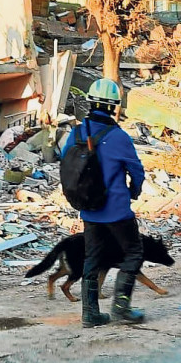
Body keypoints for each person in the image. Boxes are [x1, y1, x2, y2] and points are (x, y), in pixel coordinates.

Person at [61, 78, 146, 328]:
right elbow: (137, 171)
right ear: (114, 107)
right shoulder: (119, 137)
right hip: (117, 210)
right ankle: (121, 307)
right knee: (133, 253)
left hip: (89, 210)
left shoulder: (75, 133)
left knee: (92, 259)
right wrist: (134, 191)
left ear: (90, 102)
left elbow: (65, 163)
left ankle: (90, 314)